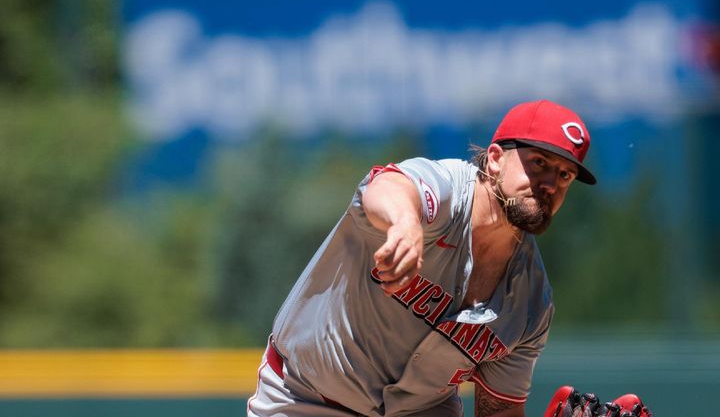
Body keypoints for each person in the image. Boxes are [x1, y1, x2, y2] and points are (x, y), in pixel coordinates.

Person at [247, 99, 596, 417]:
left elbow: (498, 411)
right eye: (539, 163)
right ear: (494, 159)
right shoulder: (445, 191)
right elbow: (390, 185)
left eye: (564, 175)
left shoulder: (532, 305)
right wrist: (406, 223)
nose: (550, 183)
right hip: (304, 400)